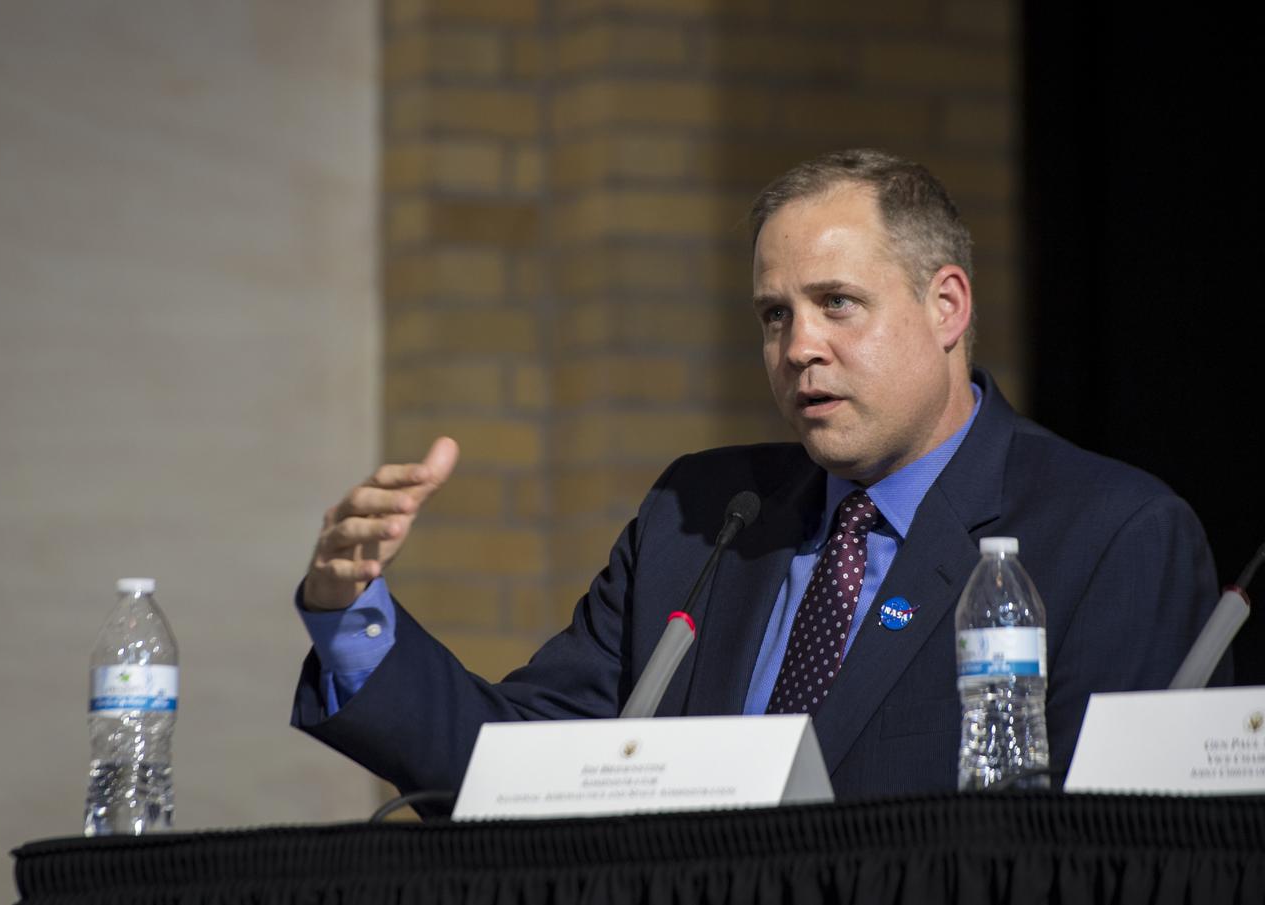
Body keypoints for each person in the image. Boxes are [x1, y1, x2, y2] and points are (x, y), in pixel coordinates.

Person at [292, 149, 1225, 799]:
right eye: (774, 316)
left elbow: (1112, 848)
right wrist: (353, 618)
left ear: (946, 306)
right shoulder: (702, 517)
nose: (799, 348)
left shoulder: (1110, 535)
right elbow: (512, 770)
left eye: (836, 305)